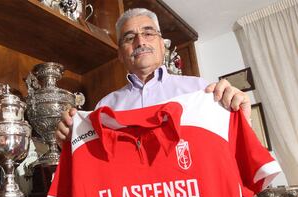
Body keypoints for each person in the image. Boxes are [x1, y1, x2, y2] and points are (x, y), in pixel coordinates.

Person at [56, 8, 251, 144]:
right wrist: (70, 141)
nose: (140, 41)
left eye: (148, 33)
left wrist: (240, 118)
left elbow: (229, 147)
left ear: (161, 44)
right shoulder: (103, 108)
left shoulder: (202, 90)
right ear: (120, 54)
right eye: (130, 37)